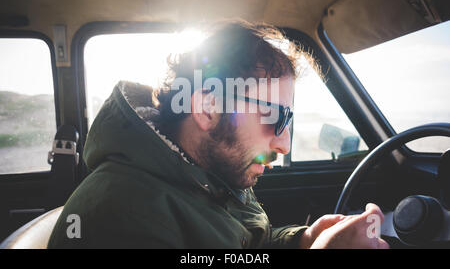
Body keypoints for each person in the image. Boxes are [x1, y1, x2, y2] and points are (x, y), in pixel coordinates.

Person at [48, 21, 389, 249]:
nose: (284, 143)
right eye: (274, 116)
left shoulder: (211, 173)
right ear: (208, 109)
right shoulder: (120, 213)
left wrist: (304, 239)